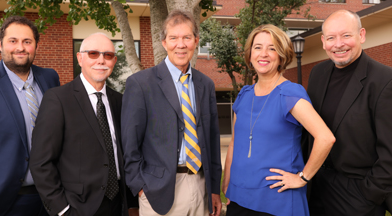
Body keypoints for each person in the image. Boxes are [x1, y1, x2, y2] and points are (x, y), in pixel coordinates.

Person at [222, 24, 335, 216]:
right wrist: (227, 184)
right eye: (258, 47)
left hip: (276, 202)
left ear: (282, 56)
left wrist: (302, 178)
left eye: (272, 48)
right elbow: (234, 143)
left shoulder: (290, 93)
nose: (263, 54)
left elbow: (325, 138)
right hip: (238, 199)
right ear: (250, 54)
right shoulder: (244, 95)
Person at [121, 9, 222, 216]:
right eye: (173, 38)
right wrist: (140, 187)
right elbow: (130, 144)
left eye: (186, 37)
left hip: (201, 186)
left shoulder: (206, 84)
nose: (181, 44)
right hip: (159, 190)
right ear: (164, 42)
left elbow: (212, 138)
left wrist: (213, 189)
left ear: (196, 41)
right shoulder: (141, 84)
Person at [29, 33, 138, 216]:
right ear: (80, 58)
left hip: (119, 206)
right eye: (93, 54)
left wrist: (131, 203)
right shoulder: (58, 99)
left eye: (108, 55)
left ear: (114, 61)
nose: (101, 60)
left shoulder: (120, 101)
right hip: (78, 207)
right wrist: (62, 210)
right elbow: (41, 163)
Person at [0, 16, 60, 216]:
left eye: (27, 42)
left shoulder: (50, 78)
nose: (20, 47)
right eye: (13, 41)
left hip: (48, 199)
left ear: (36, 45)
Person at [305, 10, 392, 216]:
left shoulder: (385, 80)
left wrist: (369, 194)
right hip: (315, 189)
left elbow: (390, 153)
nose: (338, 44)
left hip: (357, 196)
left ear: (361, 35)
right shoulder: (317, 74)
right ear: (323, 41)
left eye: (346, 35)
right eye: (331, 38)